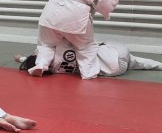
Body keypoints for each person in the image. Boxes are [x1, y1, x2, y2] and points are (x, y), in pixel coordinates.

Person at [15, 40, 162, 77]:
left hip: (114, 71)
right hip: (115, 52)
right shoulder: (58, 47)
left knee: (133, 62)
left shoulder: (54, 69)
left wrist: (23, 59)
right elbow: (43, 52)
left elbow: (40, 62)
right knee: (97, 45)